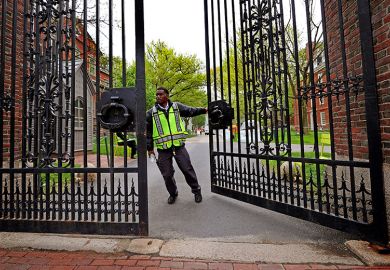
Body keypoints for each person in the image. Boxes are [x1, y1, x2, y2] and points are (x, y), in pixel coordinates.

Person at [146, 86, 207, 204]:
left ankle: (196, 190)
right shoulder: (150, 113)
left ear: (167, 96)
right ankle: (173, 193)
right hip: (163, 149)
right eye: (157, 95)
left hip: (179, 147)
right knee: (167, 174)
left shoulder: (176, 107)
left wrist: (204, 110)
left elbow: (191, 111)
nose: (158, 96)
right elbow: (148, 132)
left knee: (187, 169)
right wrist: (149, 148)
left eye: (161, 94)